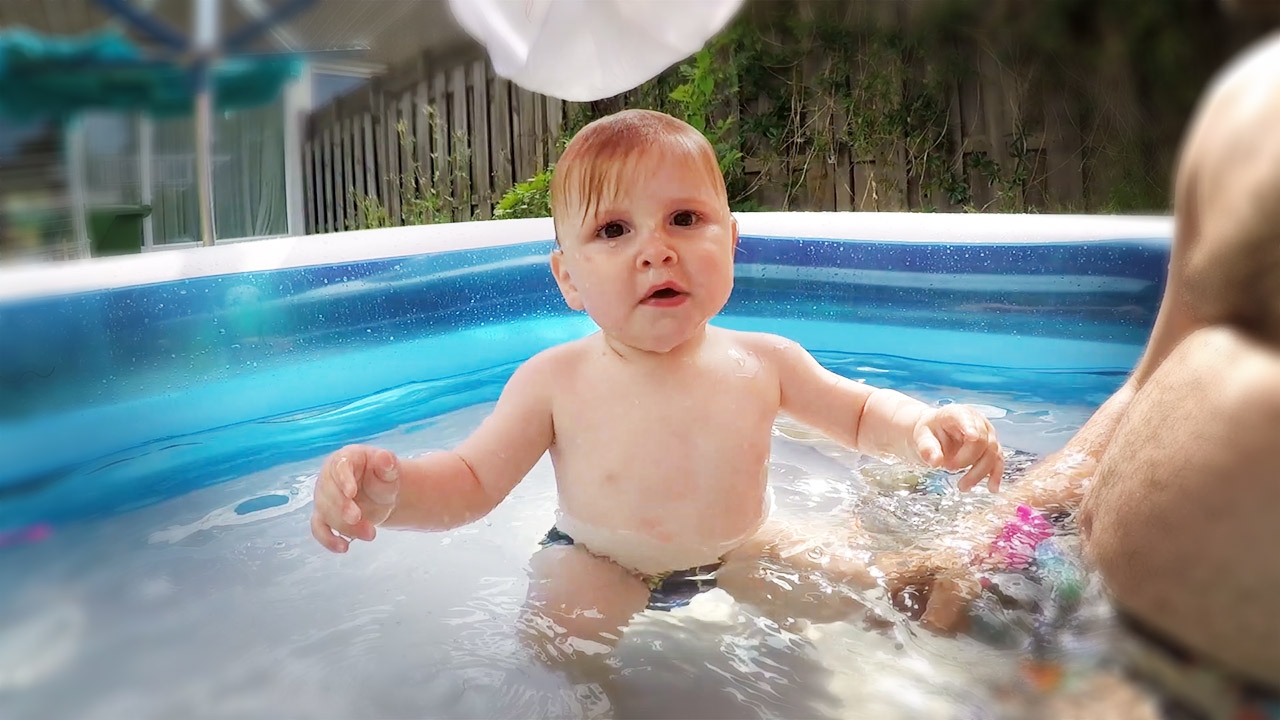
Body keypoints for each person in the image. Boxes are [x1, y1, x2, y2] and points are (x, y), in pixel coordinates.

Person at [309, 109, 1004, 666]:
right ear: (569, 278)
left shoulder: (765, 361)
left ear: (731, 242)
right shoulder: (553, 382)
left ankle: (938, 621)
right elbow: (469, 482)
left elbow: (858, 413)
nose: (657, 249)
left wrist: (921, 426)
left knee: (873, 592)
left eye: (684, 219)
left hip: (745, 546)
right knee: (559, 649)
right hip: (598, 559)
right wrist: (392, 493)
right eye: (614, 229)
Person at [890, 31, 1280, 719]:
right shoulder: (1249, 107)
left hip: (1225, 682)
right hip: (1078, 603)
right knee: (865, 562)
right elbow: (1145, 384)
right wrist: (999, 529)